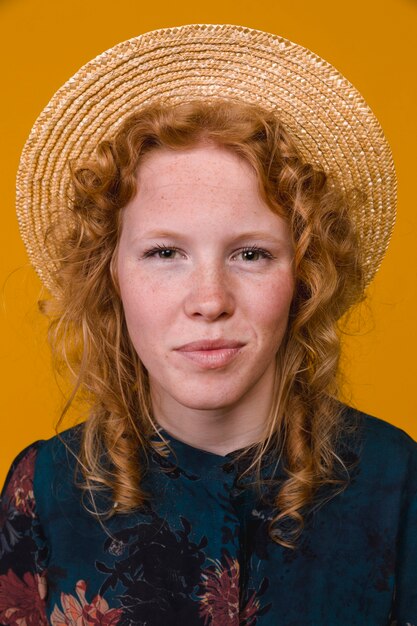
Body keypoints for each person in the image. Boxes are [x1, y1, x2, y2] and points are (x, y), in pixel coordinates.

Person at [0, 23, 415, 626]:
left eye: (251, 253)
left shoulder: (396, 480)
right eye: (164, 253)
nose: (209, 301)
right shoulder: (42, 493)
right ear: (108, 275)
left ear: (304, 277)